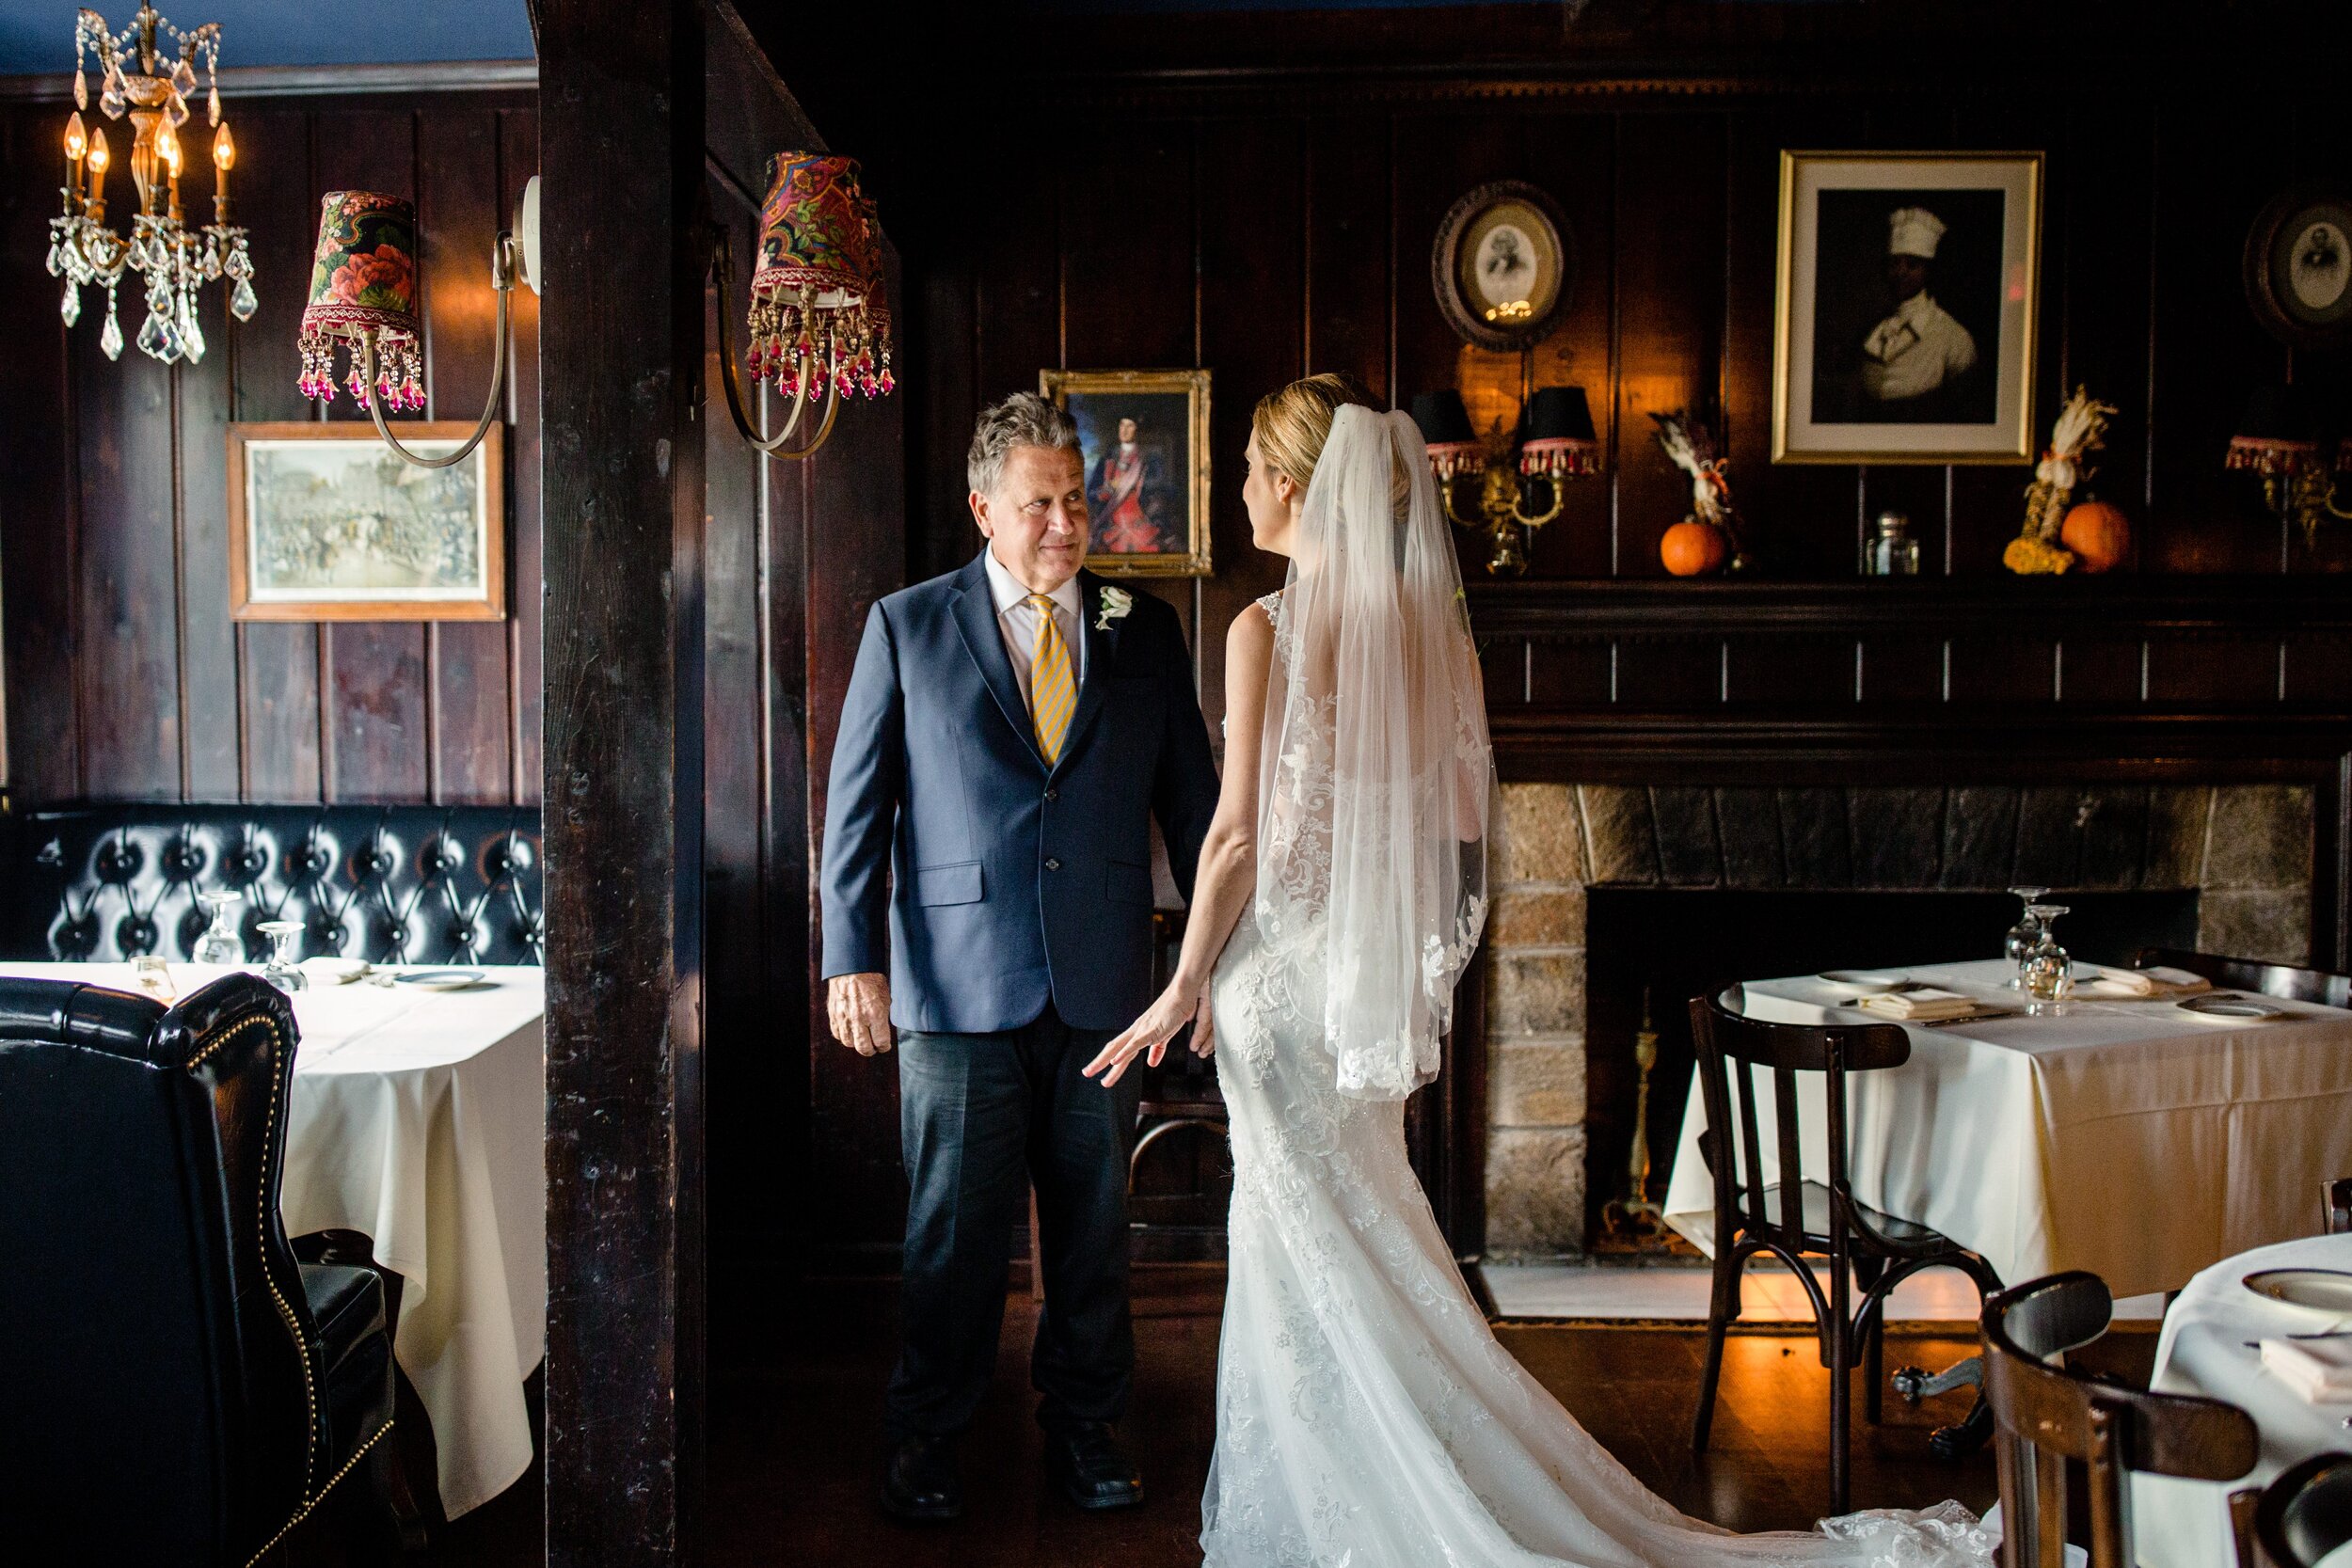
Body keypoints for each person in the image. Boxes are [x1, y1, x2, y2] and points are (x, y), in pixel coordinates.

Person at [1084, 373, 1996, 1568]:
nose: (1243, 487)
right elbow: (1460, 817)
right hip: (1350, 995)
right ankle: (1392, 1486)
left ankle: (1343, 1510)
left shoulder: (1266, 626)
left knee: (1308, 1251)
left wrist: (1183, 975)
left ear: (1298, 485)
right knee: (1366, 1238)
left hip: (1277, 989)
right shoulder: (1421, 631)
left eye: (1252, 468)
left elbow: (1239, 836)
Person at [819, 392, 1220, 1524]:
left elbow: (1194, 810)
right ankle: (928, 1438)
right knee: (951, 1231)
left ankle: (1088, 1429)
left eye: (1074, 498)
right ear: (982, 505)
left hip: (1105, 986)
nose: (1063, 521)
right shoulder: (907, 623)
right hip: (951, 983)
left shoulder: (1143, 629)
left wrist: (1221, 958)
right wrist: (851, 956)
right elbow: (857, 810)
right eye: (1037, 502)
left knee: (1093, 1229)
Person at [1860, 206, 1978, 410]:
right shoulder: (1874, 331)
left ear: (1928, 270)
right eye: (1894, 264)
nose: (1900, 273)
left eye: (1912, 265)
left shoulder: (1955, 337)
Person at [1089, 415, 1168, 552]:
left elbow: (1160, 490)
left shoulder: (1149, 460)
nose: (1124, 430)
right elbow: (1091, 493)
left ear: (1137, 430)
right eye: (1122, 425)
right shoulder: (1108, 458)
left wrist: (1137, 483)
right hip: (1111, 523)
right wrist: (1108, 489)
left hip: (1140, 523)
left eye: (1129, 426)